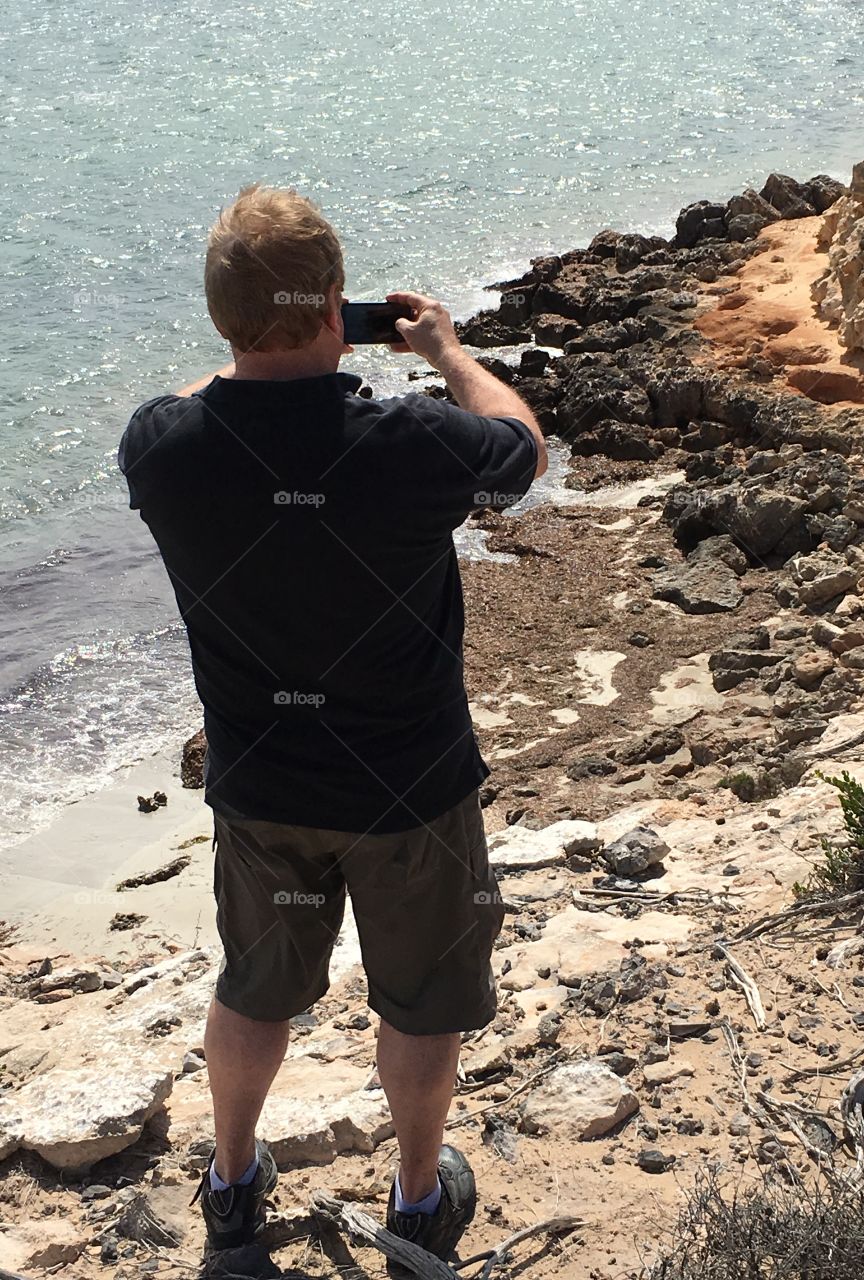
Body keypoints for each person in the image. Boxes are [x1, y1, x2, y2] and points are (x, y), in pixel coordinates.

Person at [118, 183, 547, 1272]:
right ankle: (414, 1199)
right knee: (418, 999)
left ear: (223, 316)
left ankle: (230, 1182)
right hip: (410, 792)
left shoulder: (164, 448)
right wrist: (443, 348)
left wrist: (265, 340)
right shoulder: (406, 437)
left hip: (262, 791)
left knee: (253, 988)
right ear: (334, 307)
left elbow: (191, 398)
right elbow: (520, 446)